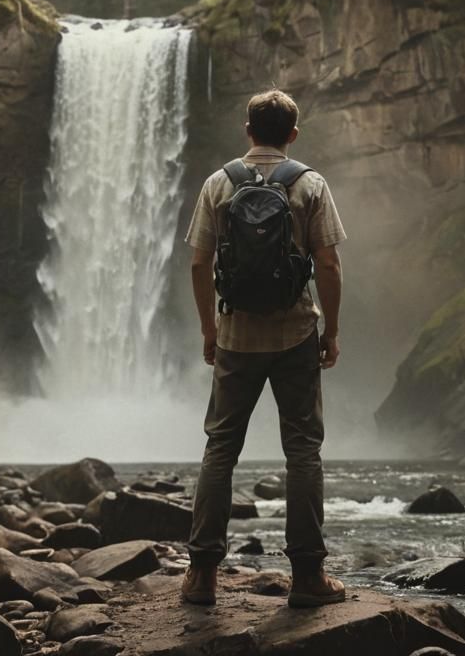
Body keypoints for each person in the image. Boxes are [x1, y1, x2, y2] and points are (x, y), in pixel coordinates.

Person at [181, 88, 346, 608]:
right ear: (292, 134)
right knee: (303, 452)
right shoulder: (310, 184)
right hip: (296, 332)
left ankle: (202, 575)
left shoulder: (217, 183)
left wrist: (209, 329)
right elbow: (329, 265)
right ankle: (307, 577)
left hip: (235, 336)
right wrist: (332, 331)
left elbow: (199, 263)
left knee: (220, 449)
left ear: (247, 130)